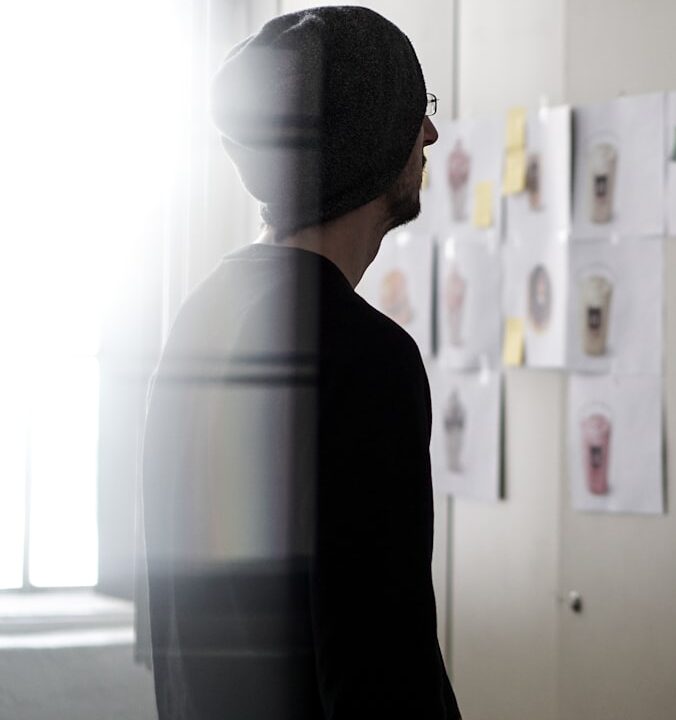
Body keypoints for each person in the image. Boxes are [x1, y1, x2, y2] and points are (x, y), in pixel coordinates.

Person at [140, 7, 458, 719]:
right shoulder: (362, 357)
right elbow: (382, 667)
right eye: (416, 113)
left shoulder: (202, 315)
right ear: (367, 140)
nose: (431, 135)